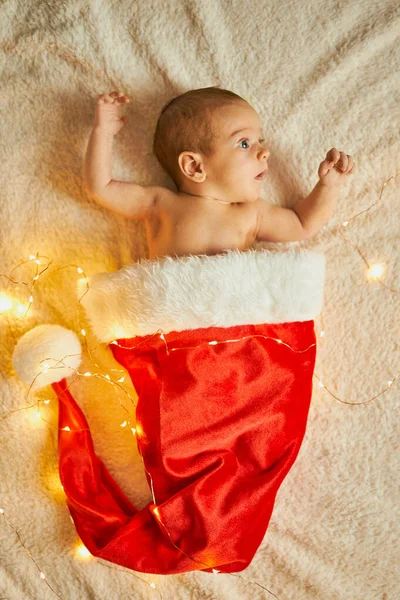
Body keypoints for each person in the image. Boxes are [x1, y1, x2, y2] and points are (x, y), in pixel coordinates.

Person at [83, 87, 355, 260]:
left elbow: (301, 224)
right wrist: (103, 132)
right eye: (244, 143)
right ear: (195, 167)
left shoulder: (252, 213)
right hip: (173, 331)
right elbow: (102, 187)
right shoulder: (160, 204)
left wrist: (328, 187)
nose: (265, 152)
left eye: (260, 140)